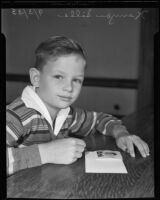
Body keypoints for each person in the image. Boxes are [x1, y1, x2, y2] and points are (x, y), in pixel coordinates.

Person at [6, 36, 150, 176]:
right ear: (36, 78)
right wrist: (46, 152)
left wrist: (121, 134)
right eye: (58, 76)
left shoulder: (68, 115)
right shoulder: (17, 115)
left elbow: (99, 119)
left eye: (76, 80)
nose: (69, 87)